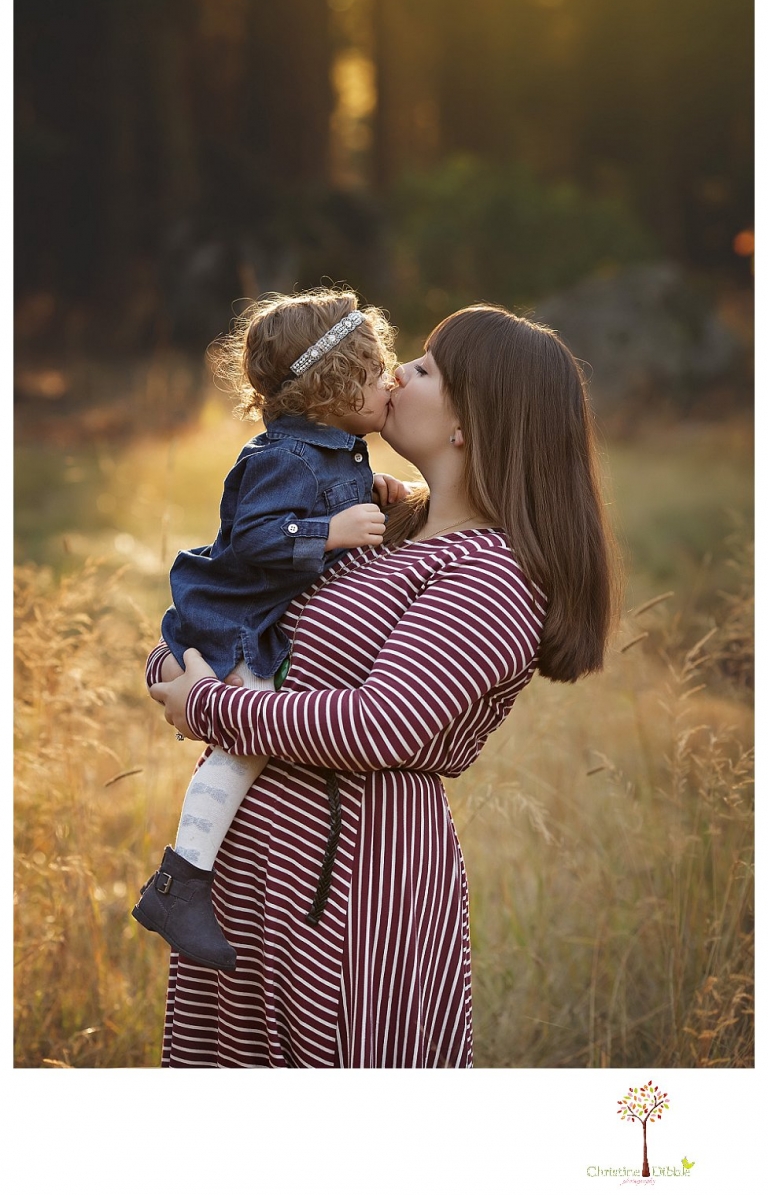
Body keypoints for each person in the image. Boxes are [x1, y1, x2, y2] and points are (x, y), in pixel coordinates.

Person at [147, 303, 619, 1068]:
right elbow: (244, 602)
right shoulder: (378, 522)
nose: (398, 373)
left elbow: (379, 725)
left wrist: (207, 703)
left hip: (351, 887)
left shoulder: (489, 575)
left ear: (474, 419)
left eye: (427, 367)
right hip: (247, 873)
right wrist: (173, 664)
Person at [133, 288, 407, 971]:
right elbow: (257, 536)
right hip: (232, 617)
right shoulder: (281, 456)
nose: (392, 381)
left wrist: (379, 496)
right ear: (330, 387)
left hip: (258, 617)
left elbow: (331, 497)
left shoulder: (336, 449)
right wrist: (331, 530)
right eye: (376, 373)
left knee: (246, 731)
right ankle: (180, 880)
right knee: (241, 739)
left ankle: (188, 879)